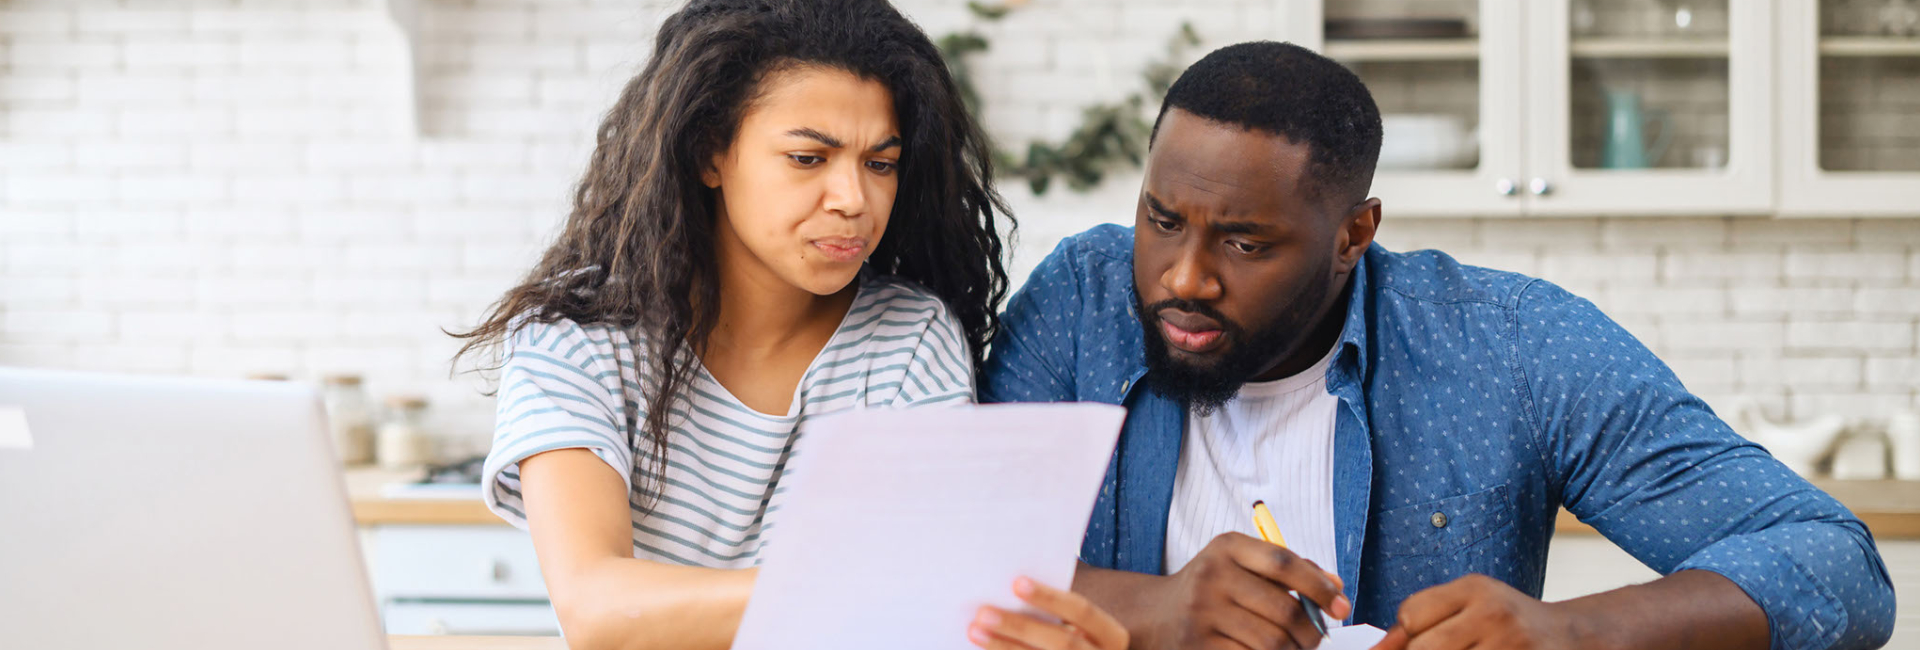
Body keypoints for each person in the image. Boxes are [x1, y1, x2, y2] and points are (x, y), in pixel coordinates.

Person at [982, 41, 1896, 650]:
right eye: (1162, 219)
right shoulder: (1082, 300)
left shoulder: (1510, 343)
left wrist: (1569, 632)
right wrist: (1156, 610)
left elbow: (1834, 562)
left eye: (1246, 243)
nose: (1183, 277)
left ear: (1354, 233)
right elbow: (935, 565)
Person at [453, 2, 1127, 649]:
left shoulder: (908, 337)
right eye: (809, 158)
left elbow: (921, 617)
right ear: (709, 153)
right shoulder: (578, 334)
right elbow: (597, 611)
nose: (854, 200)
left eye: (880, 163)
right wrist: (878, 588)